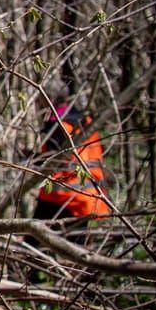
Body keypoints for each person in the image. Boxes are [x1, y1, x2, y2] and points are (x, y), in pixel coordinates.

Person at [34, 95, 111, 223]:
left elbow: (52, 161)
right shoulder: (87, 121)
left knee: (34, 238)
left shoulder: (58, 126)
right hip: (91, 196)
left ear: (46, 100)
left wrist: (33, 160)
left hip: (63, 198)